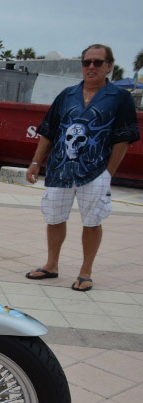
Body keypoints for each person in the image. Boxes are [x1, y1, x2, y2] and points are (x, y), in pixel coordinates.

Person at [24, 44, 139, 292]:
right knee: (54, 217)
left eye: (98, 62)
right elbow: (49, 130)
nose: (91, 67)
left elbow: (123, 138)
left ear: (109, 65)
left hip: (95, 171)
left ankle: (85, 272)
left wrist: (108, 173)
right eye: (87, 62)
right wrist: (35, 162)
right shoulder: (67, 95)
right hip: (60, 169)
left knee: (92, 221)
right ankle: (51, 265)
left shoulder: (120, 98)